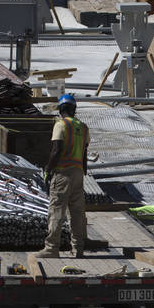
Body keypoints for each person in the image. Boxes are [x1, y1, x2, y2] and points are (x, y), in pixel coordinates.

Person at [33, 94, 90, 259]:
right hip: (78, 173)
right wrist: (82, 173)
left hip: (63, 173)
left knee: (57, 210)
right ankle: (78, 248)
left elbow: (56, 150)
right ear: (74, 109)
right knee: (77, 212)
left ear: (60, 109)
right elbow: (84, 154)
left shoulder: (61, 125)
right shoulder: (84, 127)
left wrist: (48, 170)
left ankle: (51, 248)